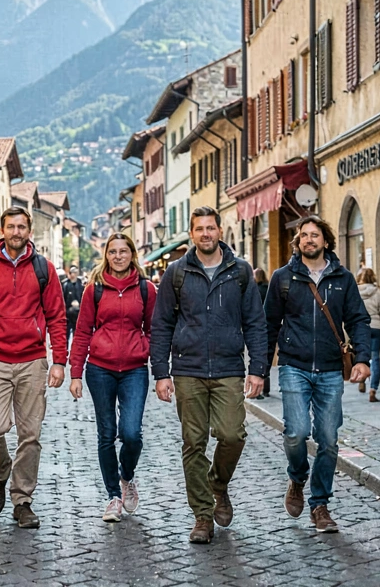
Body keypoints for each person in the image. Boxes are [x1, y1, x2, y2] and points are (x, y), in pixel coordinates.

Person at [150, 207, 267, 544]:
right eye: (199, 228)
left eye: (211, 228)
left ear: (219, 232)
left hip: (229, 368)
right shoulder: (177, 272)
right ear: (192, 233)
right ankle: (202, 516)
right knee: (194, 443)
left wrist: (258, 369)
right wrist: (161, 372)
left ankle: (217, 483)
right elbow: (161, 324)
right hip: (188, 369)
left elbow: (255, 323)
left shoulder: (240, 271)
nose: (206, 233)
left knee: (232, 435)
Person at [264, 216, 372, 533]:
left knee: (328, 439)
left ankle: (320, 504)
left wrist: (362, 359)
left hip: (329, 369)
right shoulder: (283, 278)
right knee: (296, 432)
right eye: (304, 235)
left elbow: (358, 320)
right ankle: (298, 477)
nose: (309, 239)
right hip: (293, 365)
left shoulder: (343, 278)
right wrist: (259, 370)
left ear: (326, 241)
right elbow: (268, 325)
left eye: (315, 235)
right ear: (297, 242)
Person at [0, 207, 68, 529]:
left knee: (30, 436)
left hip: (33, 360)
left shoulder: (44, 269)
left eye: (22, 227)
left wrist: (59, 361)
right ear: (2, 230)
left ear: (29, 231)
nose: (16, 232)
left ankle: (22, 501)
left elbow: (57, 316)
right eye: (11, 226)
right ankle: (0, 474)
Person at [68, 234, 156, 523]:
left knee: (131, 433)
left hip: (134, 369)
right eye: (112, 251)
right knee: (106, 434)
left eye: (123, 251)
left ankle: (126, 476)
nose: (118, 256)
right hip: (100, 369)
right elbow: (82, 331)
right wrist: (75, 373)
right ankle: (113, 497)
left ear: (132, 254)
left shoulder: (145, 289)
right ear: (106, 255)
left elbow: (154, 330)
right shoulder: (94, 289)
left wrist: (151, 358)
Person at [355, 268, 380, 402]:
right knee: (375, 357)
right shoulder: (378, 292)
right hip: (376, 327)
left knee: (361, 356)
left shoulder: (354, 292)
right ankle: (373, 390)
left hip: (361, 328)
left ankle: (361, 379)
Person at [254, 268, 274, 399]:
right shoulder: (268, 288)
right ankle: (266, 389)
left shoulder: (255, 290)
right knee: (268, 355)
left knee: (259, 355)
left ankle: (258, 390)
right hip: (268, 325)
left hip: (258, 326)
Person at [62, 265, 85, 341]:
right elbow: (63, 298)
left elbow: (83, 297)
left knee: (77, 335)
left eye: (76, 273)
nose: (74, 274)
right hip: (68, 313)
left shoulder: (81, 284)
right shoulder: (65, 285)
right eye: (73, 272)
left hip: (78, 313)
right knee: (66, 335)